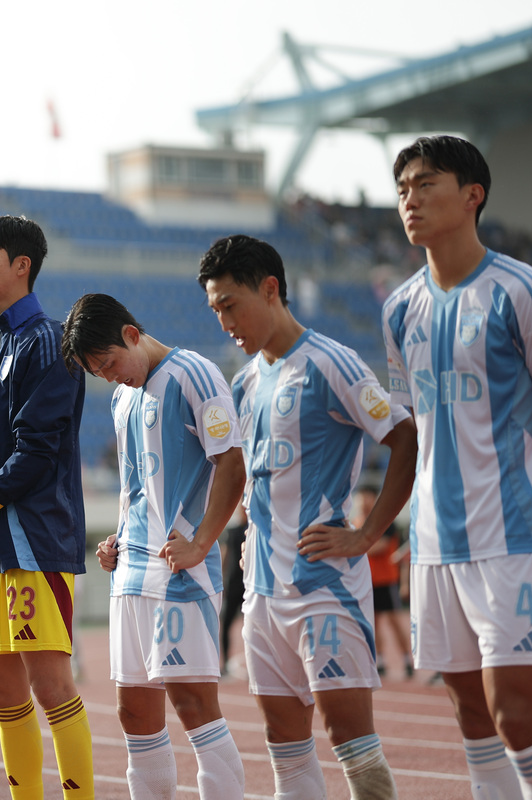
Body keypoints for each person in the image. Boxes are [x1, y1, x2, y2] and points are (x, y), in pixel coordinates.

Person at [384, 135, 532, 798]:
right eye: (402, 189)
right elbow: (411, 431)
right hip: (434, 546)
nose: (410, 199)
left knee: (519, 718)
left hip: (511, 535)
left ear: (473, 194)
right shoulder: (398, 310)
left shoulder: (523, 291)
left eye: (425, 183)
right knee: (471, 718)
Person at [199, 234, 418, 799]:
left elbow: (405, 438)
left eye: (230, 305)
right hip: (262, 594)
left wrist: (368, 534)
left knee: (353, 747)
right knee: (285, 750)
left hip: (324, 589)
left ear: (270, 290)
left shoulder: (331, 362)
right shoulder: (245, 382)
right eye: (215, 309)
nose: (224, 321)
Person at [61, 293, 246, 799]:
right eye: (97, 373)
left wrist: (202, 541)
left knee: (194, 708)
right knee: (134, 713)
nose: (110, 377)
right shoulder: (123, 397)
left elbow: (232, 463)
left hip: (179, 576)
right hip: (132, 574)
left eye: (109, 364)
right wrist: (117, 539)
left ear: (131, 334)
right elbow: (136, 486)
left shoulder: (195, 373)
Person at [0, 215, 94, 799]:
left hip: (34, 541)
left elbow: (38, 448)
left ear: (22, 265)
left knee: (51, 682)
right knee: (1, 688)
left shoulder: (52, 344)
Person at [352, 485, 412, 679]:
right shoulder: (355, 522)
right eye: (360, 497)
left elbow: (381, 546)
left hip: (386, 580)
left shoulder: (385, 521)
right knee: (373, 624)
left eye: (367, 497)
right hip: (367, 582)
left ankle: (406, 660)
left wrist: (352, 547)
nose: (363, 502)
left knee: (395, 621)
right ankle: (381, 661)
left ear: (374, 498)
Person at [218, 506, 247, 678]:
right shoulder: (233, 531)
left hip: (249, 584)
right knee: (226, 623)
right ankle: (225, 662)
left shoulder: (254, 529)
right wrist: (223, 580)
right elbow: (226, 555)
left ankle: (255, 662)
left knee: (252, 624)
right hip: (233, 583)